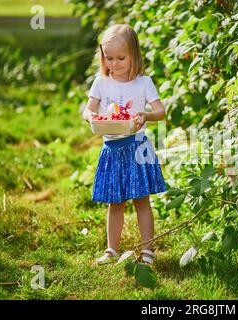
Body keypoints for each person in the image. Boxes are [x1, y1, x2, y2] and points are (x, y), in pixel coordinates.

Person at [82, 24, 167, 265]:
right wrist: (92, 117)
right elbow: (88, 110)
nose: (115, 63)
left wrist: (145, 116)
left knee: (142, 199)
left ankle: (147, 249)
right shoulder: (101, 82)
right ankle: (112, 250)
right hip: (112, 149)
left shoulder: (143, 83)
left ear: (134, 56)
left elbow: (160, 111)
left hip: (136, 147)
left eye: (121, 58)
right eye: (109, 58)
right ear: (102, 57)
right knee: (115, 202)